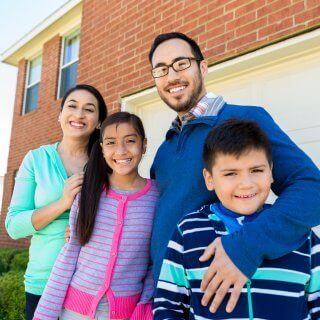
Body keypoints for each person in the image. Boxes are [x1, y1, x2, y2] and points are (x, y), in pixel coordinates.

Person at [149, 32, 320, 313]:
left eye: (182, 64)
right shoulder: (164, 149)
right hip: (171, 300)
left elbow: (312, 189)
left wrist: (247, 247)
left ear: (202, 68)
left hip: (230, 297)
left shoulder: (247, 120)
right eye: (161, 69)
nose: (172, 76)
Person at [153, 119, 320, 319]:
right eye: (231, 173)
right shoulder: (188, 231)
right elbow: (167, 306)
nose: (246, 184)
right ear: (209, 179)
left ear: (271, 172)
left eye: (257, 170)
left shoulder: (299, 233)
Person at [33, 112, 158, 320]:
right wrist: (44, 314)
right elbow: (69, 255)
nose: (121, 150)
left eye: (130, 141)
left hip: (128, 313)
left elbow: (154, 261)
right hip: (73, 312)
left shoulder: (156, 196)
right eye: (111, 142)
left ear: (143, 145)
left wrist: (143, 309)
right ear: (101, 149)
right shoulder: (89, 193)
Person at [5, 84, 107, 320]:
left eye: (89, 109)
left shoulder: (105, 164)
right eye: (72, 106)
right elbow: (14, 226)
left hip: (91, 283)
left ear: (99, 121)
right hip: (43, 282)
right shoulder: (36, 159)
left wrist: (89, 229)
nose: (79, 114)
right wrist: (63, 203)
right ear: (60, 115)